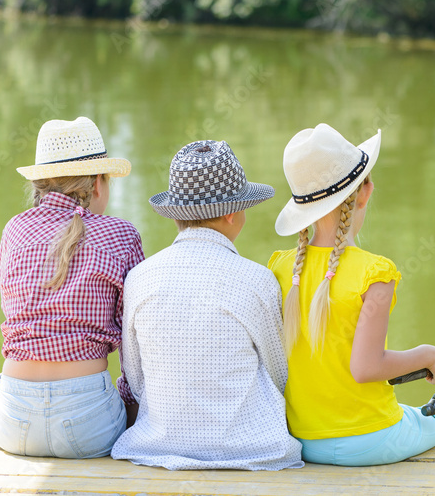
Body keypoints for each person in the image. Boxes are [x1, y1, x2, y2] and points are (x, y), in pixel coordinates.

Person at [269, 123, 435, 466]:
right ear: (365, 191)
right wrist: (429, 355)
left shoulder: (281, 269)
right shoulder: (375, 273)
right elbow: (366, 367)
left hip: (302, 439)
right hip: (369, 440)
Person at [111, 140, 302, 471]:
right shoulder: (257, 280)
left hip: (156, 449)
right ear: (232, 212)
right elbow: (279, 374)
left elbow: (136, 379)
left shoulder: (139, 278)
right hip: (250, 453)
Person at [0, 116, 144, 458]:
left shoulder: (14, 230)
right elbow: (134, 340)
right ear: (97, 185)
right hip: (88, 421)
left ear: (40, 185)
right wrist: (130, 404)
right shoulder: (121, 234)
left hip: (13, 421)